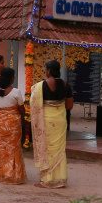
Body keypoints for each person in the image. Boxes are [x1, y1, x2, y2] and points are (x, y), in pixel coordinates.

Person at [30, 60, 73, 189]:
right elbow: (69, 106)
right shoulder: (66, 85)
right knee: (59, 150)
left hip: (46, 120)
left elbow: (34, 105)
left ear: (48, 70)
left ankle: (47, 180)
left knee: (46, 149)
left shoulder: (40, 86)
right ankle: (60, 179)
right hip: (60, 120)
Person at [0, 68, 26, 184]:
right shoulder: (16, 92)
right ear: (12, 78)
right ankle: (13, 175)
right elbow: (22, 109)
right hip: (12, 124)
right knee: (13, 148)